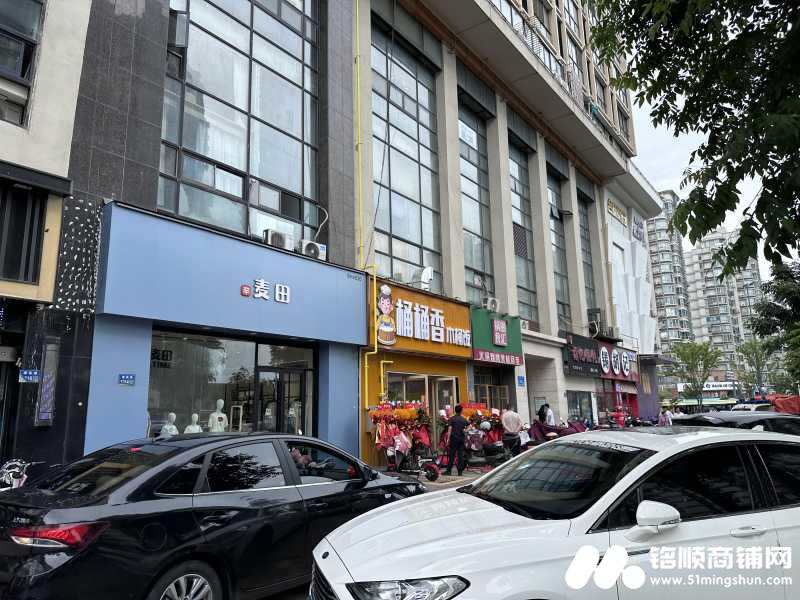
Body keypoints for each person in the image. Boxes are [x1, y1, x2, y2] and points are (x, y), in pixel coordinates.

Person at [444, 404, 469, 476]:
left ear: (455, 410)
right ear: (461, 411)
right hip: (461, 439)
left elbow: (450, 429)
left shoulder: (452, 419)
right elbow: (470, 426)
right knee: (460, 455)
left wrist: (448, 440)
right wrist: (465, 431)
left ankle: (449, 471)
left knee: (452, 455)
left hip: (454, 439)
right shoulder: (463, 419)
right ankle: (460, 472)